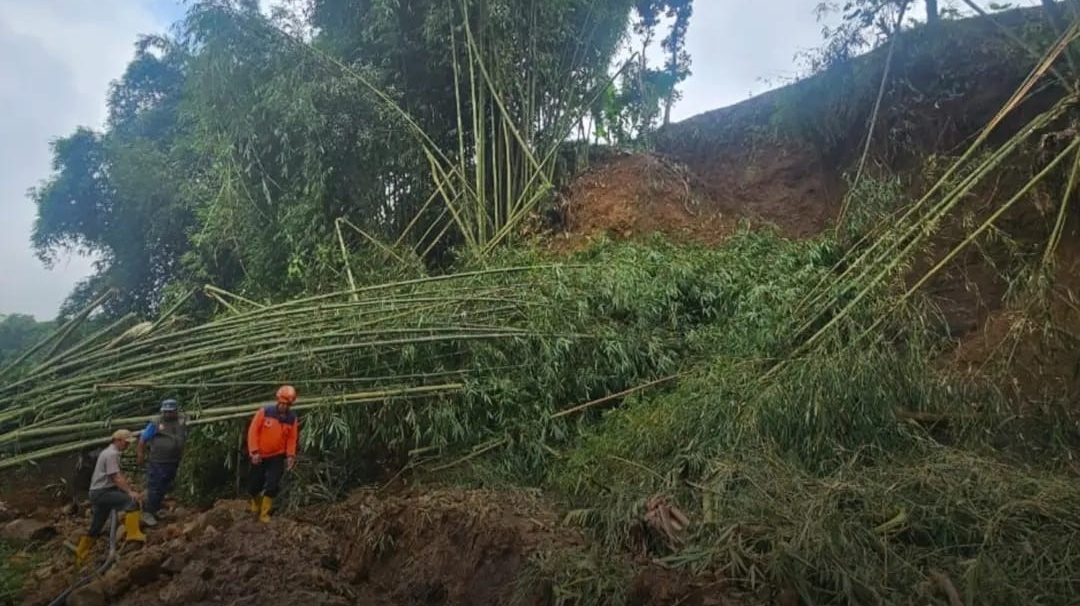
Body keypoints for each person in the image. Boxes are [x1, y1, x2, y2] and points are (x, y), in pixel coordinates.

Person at [74, 429, 146, 567]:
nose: (127, 446)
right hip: (102, 492)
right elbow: (116, 477)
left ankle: (80, 554)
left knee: (97, 525)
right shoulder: (111, 454)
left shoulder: (109, 453)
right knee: (131, 501)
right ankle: (133, 534)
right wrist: (130, 492)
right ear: (117, 441)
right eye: (125, 443)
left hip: (97, 492)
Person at [246, 385, 299, 523]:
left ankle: (264, 513)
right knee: (254, 486)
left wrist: (290, 456)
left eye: (287, 404)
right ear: (278, 401)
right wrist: (254, 451)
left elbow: (292, 438)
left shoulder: (291, 418)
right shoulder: (265, 412)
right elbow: (253, 431)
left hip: (277, 456)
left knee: (273, 484)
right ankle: (255, 505)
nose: (283, 406)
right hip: (260, 454)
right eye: (282, 403)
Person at [136, 398, 188, 526]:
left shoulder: (181, 421)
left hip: (173, 460)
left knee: (165, 486)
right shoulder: (155, 423)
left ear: (176, 411)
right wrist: (140, 455)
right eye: (166, 412)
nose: (168, 414)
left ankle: (156, 509)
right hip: (158, 461)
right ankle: (148, 512)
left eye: (170, 412)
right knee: (155, 487)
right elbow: (143, 440)